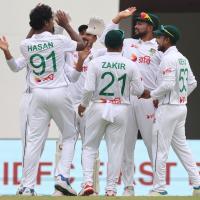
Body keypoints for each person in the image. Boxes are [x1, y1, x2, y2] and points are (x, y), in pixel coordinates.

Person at [15, 4, 85, 195]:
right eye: (51, 20)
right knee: (70, 135)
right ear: (47, 22)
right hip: (59, 92)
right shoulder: (59, 40)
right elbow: (82, 45)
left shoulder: (25, 44)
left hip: (37, 95)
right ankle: (62, 177)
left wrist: (35, 23)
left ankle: (28, 187)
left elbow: (26, 42)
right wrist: (67, 25)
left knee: (34, 141)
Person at [78, 29, 148, 196]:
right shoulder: (130, 64)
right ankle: (111, 189)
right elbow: (138, 90)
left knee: (89, 146)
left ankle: (88, 182)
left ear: (106, 44)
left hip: (98, 105)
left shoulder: (95, 62)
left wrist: (82, 105)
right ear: (122, 45)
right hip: (121, 107)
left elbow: (88, 89)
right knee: (116, 149)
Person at [100, 7, 162, 195]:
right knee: (126, 145)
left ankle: (158, 186)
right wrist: (118, 17)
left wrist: (158, 96)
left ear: (151, 27)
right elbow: (105, 39)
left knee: (153, 144)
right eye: (137, 22)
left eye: (141, 23)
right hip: (126, 100)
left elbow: (165, 75)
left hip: (148, 101)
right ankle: (128, 186)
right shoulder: (127, 43)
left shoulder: (159, 47)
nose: (136, 25)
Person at [143, 24, 200, 196]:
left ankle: (159, 188)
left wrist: (152, 95)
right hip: (180, 108)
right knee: (182, 148)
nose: (157, 40)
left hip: (167, 109)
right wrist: (180, 96)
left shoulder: (168, 58)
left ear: (167, 39)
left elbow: (167, 84)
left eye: (159, 37)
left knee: (160, 148)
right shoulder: (182, 58)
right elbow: (192, 83)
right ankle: (197, 184)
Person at [54, 17, 106, 196]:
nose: (85, 39)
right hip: (68, 104)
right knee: (63, 145)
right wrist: (59, 25)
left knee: (91, 147)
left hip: (88, 106)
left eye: (89, 36)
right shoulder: (68, 51)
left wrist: (111, 24)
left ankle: (91, 187)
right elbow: (56, 37)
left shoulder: (98, 54)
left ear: (94, 38)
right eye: (82, 36)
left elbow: (114, 47)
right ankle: (60, 187)